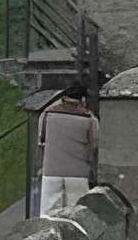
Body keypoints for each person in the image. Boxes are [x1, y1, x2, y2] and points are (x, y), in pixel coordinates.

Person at [39, 86, 101, 217]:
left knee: (48, 213)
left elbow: (42, 138)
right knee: (76, 213)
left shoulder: (48, 113)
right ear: (82, 99)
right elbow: (94, 144)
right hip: (78, 173)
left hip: (51, 170)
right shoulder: (89, 118)